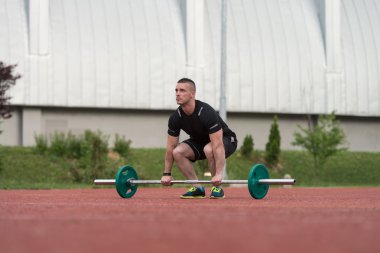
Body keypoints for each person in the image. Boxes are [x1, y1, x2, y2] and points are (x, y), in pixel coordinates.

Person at [161, 78, 238, 199]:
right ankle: (197, 188)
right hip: (200, 142)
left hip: (226, 140)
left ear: (192, 94)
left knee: (209, 149)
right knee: (177, 152)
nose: (177, 93)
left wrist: (218, 174)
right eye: (176, 90)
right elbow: (171, 147)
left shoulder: (206, 112)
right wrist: (167, 173)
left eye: (182, 90)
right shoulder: (176, 117)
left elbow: (217, 144)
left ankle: (217, 188)